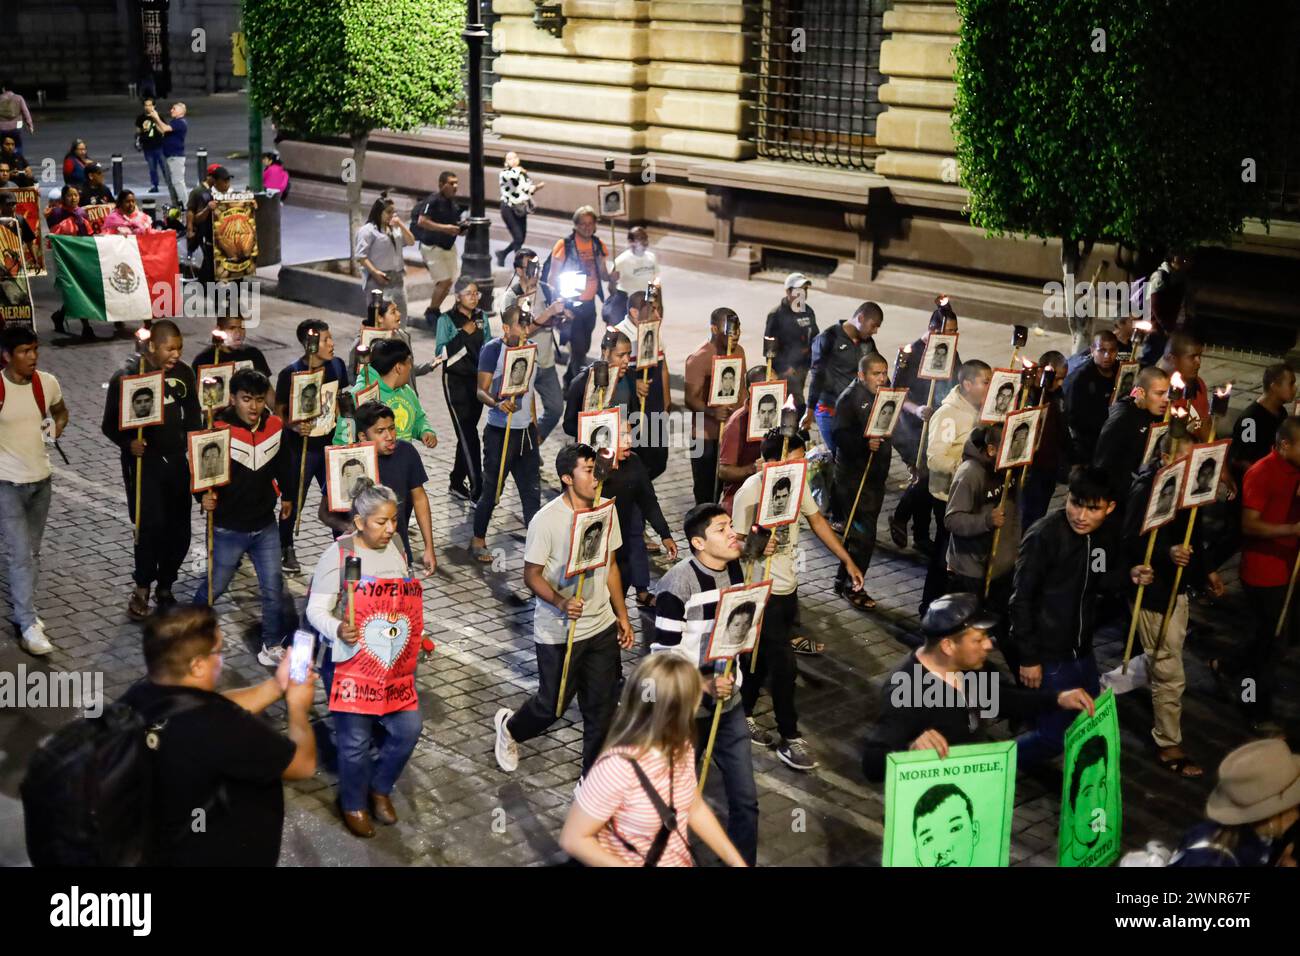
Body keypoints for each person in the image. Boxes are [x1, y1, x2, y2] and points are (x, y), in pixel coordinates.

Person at [119, 605, 317, 865]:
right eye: (219, 651)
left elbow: (212, 704)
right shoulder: (221, 728)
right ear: (198, 666)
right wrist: (298, 707)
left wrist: (276, 686)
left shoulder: (139, 698)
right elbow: (302, 764)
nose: (222, 660)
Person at [494, 443, 635, 775]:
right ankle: (511, 728)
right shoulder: (546, 520)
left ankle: (590, 782)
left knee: (601, 710)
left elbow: (611, 565)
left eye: (595, 469)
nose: (595, 476)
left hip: (599, 627)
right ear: (566, 478)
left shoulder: (606, 510)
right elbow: (531, 575)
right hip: (559, 631)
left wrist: (622, 615)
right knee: (553, 706)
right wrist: (561, 601)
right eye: (588, 470)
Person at [733, 429, 864, 771]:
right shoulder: (750, 491)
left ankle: (743, 713)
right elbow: (734, 546)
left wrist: (846, 559)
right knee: (785, 667)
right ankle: (790, 737)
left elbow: (817, 520)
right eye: (795, 460)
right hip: (762, 595)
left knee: (757, 662)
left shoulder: (797, 483)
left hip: (788, 590)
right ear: (772, 461)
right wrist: (756, 545)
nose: (801, 467)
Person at [862, 593, 1095, 781]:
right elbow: (873, 764)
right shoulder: (907, 692)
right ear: (948, 646)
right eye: (978, 639)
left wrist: (1058, 699)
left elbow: (999, 700)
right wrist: (909, 750)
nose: (988, 645)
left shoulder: (962, 668)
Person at [305, 482, 427, 838]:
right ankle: (354, 802)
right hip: (349, 664)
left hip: (393, 665)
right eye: (381, 523)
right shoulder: (340, 554)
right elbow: (316, 610)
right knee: (355, 741)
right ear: (359, 522)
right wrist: (338, 628)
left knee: (408, 729)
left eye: (393, 520)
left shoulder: (398, 547)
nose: (390, 529)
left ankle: (380, 787)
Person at [1011, 466, 1153, 766]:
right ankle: (999, 766)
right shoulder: (1043, 536)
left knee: (1089, 716)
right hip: (1049, 655)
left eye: (1093, 508)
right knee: (1052, 737)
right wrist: (1028, 658)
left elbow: (1098, 578)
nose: (1081, 515)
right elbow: (1021, 599)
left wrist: (1129, 576)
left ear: (1110, 507)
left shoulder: (1099, 537)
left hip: (1082, 651)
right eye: (1076, 503)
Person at [558, 653, 747, 867]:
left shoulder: (681, 746)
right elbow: (574, 839)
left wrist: (737, 861)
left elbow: (693, 806)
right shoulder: (616, 767)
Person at [1114, 429, 1220, 777]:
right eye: (1182, 459)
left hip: (1178, 589)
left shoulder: (1190, 487)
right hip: (1153, 590)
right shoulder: (1147, 490)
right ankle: (1167, 743)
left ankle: (1121, 680)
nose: (1189, 466)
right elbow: (1129, 541)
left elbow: (1195, 533)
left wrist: (1205, 572)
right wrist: (1166, 553)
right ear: (1164, 459)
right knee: (1169, 667)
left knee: (1165, 654)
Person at [193, 368, 298, 666]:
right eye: (246, 399)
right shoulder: (216, 429)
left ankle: (272, 644)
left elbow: (284, 464)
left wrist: (288, 495)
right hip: (228, 527)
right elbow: (200, 471)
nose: (253, 407)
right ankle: (189, 631)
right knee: (215, 586)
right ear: (232, 398)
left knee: (273, 587)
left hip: (265, 525)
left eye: (259, 400)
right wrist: (202, 496)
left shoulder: (275, 427)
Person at [101, 320, 200, 620]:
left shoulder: (184, 374)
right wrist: (128, 443)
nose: (175, 354)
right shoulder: (128, 377)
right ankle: (142, 586)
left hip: (177, 463)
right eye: (170, 348)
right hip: (145, 466)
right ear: (153, 346)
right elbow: (109, 425)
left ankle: (166, 584)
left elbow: (194, 420)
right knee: (150, 528)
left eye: (179, 348)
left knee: (180, 531)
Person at [1215, 416, 1300, 736]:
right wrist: (1292, 529)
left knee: (1278, 636)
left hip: (1290, 569)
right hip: (1265, 573)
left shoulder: (1296, 470)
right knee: (1273, 646)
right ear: (1285, 445)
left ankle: (1228, 665)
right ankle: (1255, 706)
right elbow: (1249, 525)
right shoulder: (1261, 474)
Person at [0, 327, 68, 655]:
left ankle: (25, 611)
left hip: (42, 481)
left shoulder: (47, 383)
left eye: (35, 349)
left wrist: (54, 430)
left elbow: (60, 410)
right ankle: (27, 622)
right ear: (7, 355)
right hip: (6, 485)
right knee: (20, 554)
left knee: (33, 553)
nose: (32, 356)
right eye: (25, 351)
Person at [319, 402, 436, 572]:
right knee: (355, 598)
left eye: (392, 428)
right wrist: (351, 528)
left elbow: (419, 499)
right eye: (380, 431)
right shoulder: (344, 460)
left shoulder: (406, 452)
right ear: (363, 437)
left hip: (396, 550)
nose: (389, 436)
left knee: (401, 597)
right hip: (354, 558)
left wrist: (429, 548)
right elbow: (323, 513)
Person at [274, 319, 350, 573]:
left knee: (338, 499)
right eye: (326, 340)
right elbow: (279, 414)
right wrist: (294, 426)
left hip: (331, 445)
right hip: (301, 450)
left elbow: (341, 397)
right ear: (310, 343)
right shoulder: (290, 373)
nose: (332, 344)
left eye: (331, 338)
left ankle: (341, 545)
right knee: (293, 501)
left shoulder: (337, 366)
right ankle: (285, 548)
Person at [889, 300, 961, 555]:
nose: (951, 338)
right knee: (926, 477)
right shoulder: (912, 353)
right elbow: (897, 393)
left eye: (954, 332)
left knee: (930, 481)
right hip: (912, 428)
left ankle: (920, 535)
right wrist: (917, 409)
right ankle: (900, 515)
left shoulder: (950, 349)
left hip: (939, 425)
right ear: (931, 329)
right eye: (946, 332)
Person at [920, 359, 992, 613]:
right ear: (967, 384)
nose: (989, 386)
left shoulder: (985, 409)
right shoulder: (948, 415)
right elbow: (935, 457)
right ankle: (929, 607)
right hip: (947, 495)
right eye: (985, 382)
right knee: (943, 556)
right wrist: (962, 468)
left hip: (972, 493)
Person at [471, 306, 541, 561]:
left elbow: (530, 389)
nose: (525, 330)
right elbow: (481, 390)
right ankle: (478, 539)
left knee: (531, 492)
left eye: (527, 325)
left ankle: (538, 548)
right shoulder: (492, 350)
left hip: (525, 433)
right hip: (500, 432)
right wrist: (497, 403)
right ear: (507, 328)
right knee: (492, 490)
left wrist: (535, 424)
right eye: (519, 326)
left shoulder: (531, 348)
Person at [944, 425, 1021, 649]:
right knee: (962, 632)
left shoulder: (1011, 470)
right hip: (972, 568)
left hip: (1002, 566)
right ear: (991, 449)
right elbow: (953, 520)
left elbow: (1015, 511)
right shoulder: (970, 473)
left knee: (1003, 626)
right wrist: (986, 521)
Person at [1168, 738, 1300, 867]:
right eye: (1293, 804)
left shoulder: (1258, 835)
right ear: (1271, 816)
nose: (1297, 813)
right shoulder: (1210, 860)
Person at [831, 353, 893, 611]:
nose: (882, 378)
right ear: (861, 375)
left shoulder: (885, 394)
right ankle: (852, 585)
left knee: (857, 534)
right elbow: (838, 437)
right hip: (854, 479)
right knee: (862, 536)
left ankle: (842, 577)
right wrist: (864, 443)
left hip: (875, 477)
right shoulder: (848, 400)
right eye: (876, 374)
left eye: (884, 373)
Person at [603, 420, 677, 607]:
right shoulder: (591, 469)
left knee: (621, 587)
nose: (629, 441)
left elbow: (648, 500)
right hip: (601, 547)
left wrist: (665, 534)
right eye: (622, 436)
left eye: (630, 434)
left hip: (624, 543)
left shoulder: (634, 461)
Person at [499, 248, 569, 442]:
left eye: (537, 266)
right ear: (519, 270)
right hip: (522, 364)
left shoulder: (547, 289)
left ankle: (534, 441)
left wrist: (562, 317)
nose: (535, 272)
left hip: (545, 361)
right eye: (529, 267)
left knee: (556, 408)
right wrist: (546, 314)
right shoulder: (511, 297)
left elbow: (555, 321)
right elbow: (517, 334)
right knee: (520, 415)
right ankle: (525, 452)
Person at [544, 205, 613, 388]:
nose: (587, 227)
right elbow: (552, 278)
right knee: (579, 347)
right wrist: (560, 306)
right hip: (571, 306)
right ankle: (577, 388)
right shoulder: (565, 245)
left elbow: (604, 274)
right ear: (575, 226)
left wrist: (613, 276)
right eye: (583, 224)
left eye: (591, 223)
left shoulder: (597, 245)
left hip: (589, 305)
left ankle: (568, 379)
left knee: (583, 347)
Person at [606, 289, 672, 479]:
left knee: (658, 458)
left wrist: (666, 400)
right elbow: (609, 370)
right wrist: (633, 383)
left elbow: (663, 365)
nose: (658, 315)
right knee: (638, 455)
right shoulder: (618, 334)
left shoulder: (652, 329)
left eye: (658, 309)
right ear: (635, 313)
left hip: (654, 404)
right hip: (633, 408)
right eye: (653, 310)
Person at [435, 278, 491, 501]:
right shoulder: (446, 320)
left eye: (476, 293)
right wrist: (463, 333)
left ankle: (456, 481)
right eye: (469, 293)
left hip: (476, 381)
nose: (474, 297)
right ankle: (478, 487)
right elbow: (442, 354)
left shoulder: (481, 317)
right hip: (455, 382)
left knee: (466, 433)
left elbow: (487, 347)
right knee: (469, 434)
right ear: (458, 296)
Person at [684, 308, 747, 505]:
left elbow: (742, 389)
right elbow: (690, 399)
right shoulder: (699, 358)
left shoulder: (739, 352)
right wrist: (712, 411)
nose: (734, 336)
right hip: (705, 437)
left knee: (725, 487)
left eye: (737, 331)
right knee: (705, 490)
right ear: (713, 328)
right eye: (729, 331)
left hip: (730, 434)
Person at [808, 301, 883, 453]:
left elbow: (876, 369)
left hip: (855, 413)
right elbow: (817, 375)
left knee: (854, 457)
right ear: (860, 318)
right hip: (830, 412)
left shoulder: (868, 343)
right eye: (873, 326)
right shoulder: (828, 338)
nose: (875, 331)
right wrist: (809, 410)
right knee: (840, 455)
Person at [1094, 366, 1171, 507]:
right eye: (1159, 393)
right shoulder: (1121, 420)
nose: (1166, 399)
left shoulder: (1160, 414)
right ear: (1141, 392)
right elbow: (1102, 465)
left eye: (1168, 393)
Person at [343, 337, 436, 446]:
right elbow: (345, 438)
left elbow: (419, 418)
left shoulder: (407, 391)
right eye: (409, 362)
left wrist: (425, 431)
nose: (411, 367)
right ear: (399, 367)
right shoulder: (359, 394)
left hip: (402, 458)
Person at [1020, 350, 1069, 530]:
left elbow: (1063, 427)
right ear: (1041, 372)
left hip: (1050, 466)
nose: (1060, 383)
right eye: (1056, 378)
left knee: (1039, 513)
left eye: (1063, 378)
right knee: (1026, 513)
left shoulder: (1058, 394)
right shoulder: (1027, 393)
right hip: (1031, 468)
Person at [717, 366, 771, 515]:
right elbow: (724, 471)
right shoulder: (737, 423)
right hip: (741, 503)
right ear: (752, 390)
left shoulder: (781, 416)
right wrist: (753, 468)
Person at [764, 273, 818, 421]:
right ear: (788, 292)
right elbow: (769, 347)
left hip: (803, 367)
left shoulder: (808, 311)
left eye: (805, 290)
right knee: (797, 400)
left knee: (795, 397)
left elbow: (815, 336)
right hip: (786, 369)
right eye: (799, 290)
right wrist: (782, 369)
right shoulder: (776, 315)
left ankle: (792, 428)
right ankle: (800, 427)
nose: (803, 293)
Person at [412, 171, 463, 323]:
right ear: (441, 184)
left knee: (449, 281)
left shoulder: (453, 204)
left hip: (448, 247)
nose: (455, 186)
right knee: (443, 281)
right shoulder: (432, 201)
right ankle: (432, 312)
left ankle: (434, 310)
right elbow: (422, 221)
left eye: (456, 183)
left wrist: (460, 229)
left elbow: (453, 224)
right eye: (451, 183)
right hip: (432, 248)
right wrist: (446, 228)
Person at [1064, 331, 1119, 468]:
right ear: (1093, 350)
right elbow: (1072, 417)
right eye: (1102, 351)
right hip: (1086, 441)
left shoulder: (1121, 371)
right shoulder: (1080, 379)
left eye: (1112, 351)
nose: (1107, 356)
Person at [356, 194, 415, 322]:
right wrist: (375, 272)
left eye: (394, 212)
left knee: (400, 316)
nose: (392, 215)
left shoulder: (395, 229)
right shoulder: (368, 231)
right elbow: (361, 256)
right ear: (379, 212)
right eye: (388, 212)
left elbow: (411, 241)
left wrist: (400, 224)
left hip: (397, 278)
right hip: (379, 278)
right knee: (379, 318)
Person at [1141, 251, 1191, 367]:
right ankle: (1142, 382)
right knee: (1149, 359)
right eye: (1181, 260)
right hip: (1158, 327)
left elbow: (1180, 304)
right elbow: (1156, 305)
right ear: (1172, 260)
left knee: (1166, 360)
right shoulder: (1161, 276)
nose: (1185, 263)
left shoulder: (1179, 278)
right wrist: (1165, 327)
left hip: (1170, 327)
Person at [497, 152, 542, 268]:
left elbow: (527, 189)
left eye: (515, 158)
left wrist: (536, 187)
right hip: (508, 207)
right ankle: (519, 266)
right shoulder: (505, 173)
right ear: (506, 162)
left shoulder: (522, 174)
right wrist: (520, 170)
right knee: (518, 237)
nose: (513, 160)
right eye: (510, 159)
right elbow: (512, 178)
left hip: (520, 208)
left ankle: (502, 254)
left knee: (521, 238)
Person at [185, 164, 229, 283]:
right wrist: (190, 230)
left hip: (211, 231)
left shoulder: (214, 191)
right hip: (201, 231)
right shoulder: (198, 191)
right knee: (209, 259)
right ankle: (209, 287)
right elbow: (190, 211)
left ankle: (203, 283)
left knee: (209, 259)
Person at [607, 225, 659, 322]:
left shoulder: (651, 258)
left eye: (645, 239)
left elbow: (654, 282)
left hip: (646, 304)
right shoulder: (621, 261)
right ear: (631, 242)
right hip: (627, 305)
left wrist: (653, 303)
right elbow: (611, 288)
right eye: (639, 239)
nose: (643, 242)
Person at [191, 313, 271, 376]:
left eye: (242, 328)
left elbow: (267, 390)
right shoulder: (204, 359)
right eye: (232, 328)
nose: (238, 333)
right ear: (219, 330)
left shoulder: (253, 354)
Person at [151, 101, 189, 205]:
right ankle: (176, 204)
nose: (171, 110)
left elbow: (164, 128)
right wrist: (154, 119)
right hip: (169, 156)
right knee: (170, 182)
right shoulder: (174, 122)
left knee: (178, 182)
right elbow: (162, 130)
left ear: (181, 111)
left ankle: (186, 205)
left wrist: (156, 116)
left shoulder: (180, 122)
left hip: (176, 157)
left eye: (174, 109)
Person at [135, 98, 166, 193]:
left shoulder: (158, 116)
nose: (148, 107)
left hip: (159, 145)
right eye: (146, 105)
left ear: (154, 106)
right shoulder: (141, 118)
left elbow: (164, 129)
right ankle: (154, 185)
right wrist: (138, 142)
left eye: (150, 105)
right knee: (152, 168)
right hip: (147, 146)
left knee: (164, 166)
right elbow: (138, 132)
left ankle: (170, 183)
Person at [0, 80, 34, 149]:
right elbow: (26, 112)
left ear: (3, 88)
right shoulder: (19, 98)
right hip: (16, 128)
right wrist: (30, 125)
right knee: (18, 144)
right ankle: (17, 154)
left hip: (1, 128)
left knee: (2, 144)